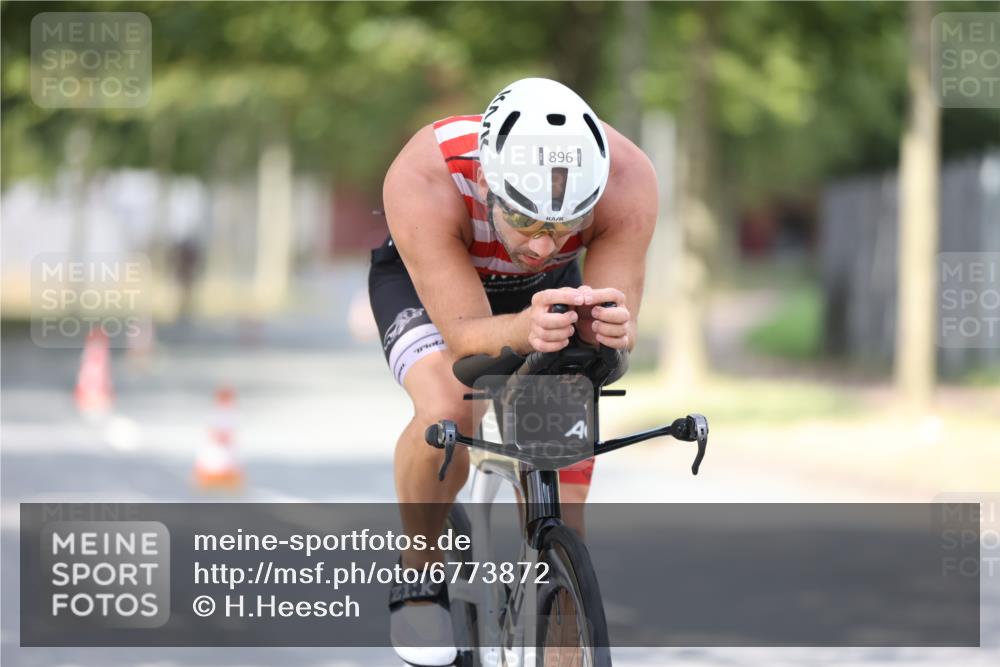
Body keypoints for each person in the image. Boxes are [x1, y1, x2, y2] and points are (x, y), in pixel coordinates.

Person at [370, 77, 657, 666]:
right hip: (437, 288)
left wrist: (610, 330)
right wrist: (521, 328)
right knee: (450, 407)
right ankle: (420, 568)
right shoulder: (426, 174)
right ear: (485, 182)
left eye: (563, 226)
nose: (542, 245)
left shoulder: (628, 177)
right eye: (525, 221)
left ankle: (558, 607)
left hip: (545, 299)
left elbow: (617, 313)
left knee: (565, 479)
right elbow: (466, 339)